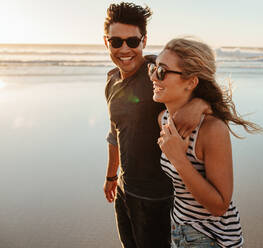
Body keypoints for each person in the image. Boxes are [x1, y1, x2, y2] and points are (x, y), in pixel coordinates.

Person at [102, 3, 211, 248]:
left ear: (144, 40)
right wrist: (111, 175)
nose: (125, 49)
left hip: (158, 198)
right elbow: (114, 133)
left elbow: (203, 84)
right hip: (124, 190)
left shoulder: (157, 72)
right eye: (116, 41)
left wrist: (200, 104)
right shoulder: (111, 80)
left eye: (132, 41)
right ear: (106, 42)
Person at [150, 38, 263, 248]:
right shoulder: (164, 119)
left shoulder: (212, 129)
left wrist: (179, 160)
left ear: (191, 82)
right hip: (178, 228)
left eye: (162, 71)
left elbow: (220, 206)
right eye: (154, 68)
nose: (153, 77)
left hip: (211, 237)